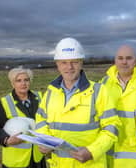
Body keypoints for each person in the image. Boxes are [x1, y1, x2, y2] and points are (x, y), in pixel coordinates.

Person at [35, 37, 121, 168]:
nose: (69, 67)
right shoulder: (51, 92)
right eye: (64, 62)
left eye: (74, 62)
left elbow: (112, 127)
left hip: (90, 164)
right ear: (57, 65)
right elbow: (41, 119)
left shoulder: (98, 91)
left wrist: (92, 151)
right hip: (57, 164)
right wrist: (44, 140)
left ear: (81, 63)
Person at [0, 67, 47, 168]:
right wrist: (6, 140)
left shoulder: (41, 98)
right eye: (18, 80)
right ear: (12, 83)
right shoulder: (4, 103)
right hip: (16, 161)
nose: (23, 83)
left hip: (37, 158)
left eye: (26, 80)